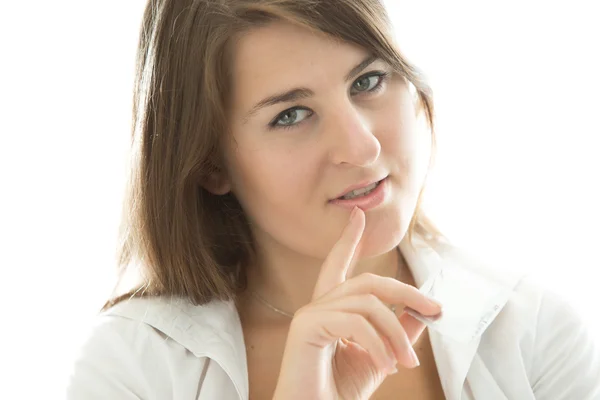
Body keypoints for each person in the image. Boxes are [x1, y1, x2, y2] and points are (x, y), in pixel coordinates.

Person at [66, 0, 600, 399]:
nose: (361, 145)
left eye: (368, 80)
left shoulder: (532, 333)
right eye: (291, 115)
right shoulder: (132, 370)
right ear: (210, 164)